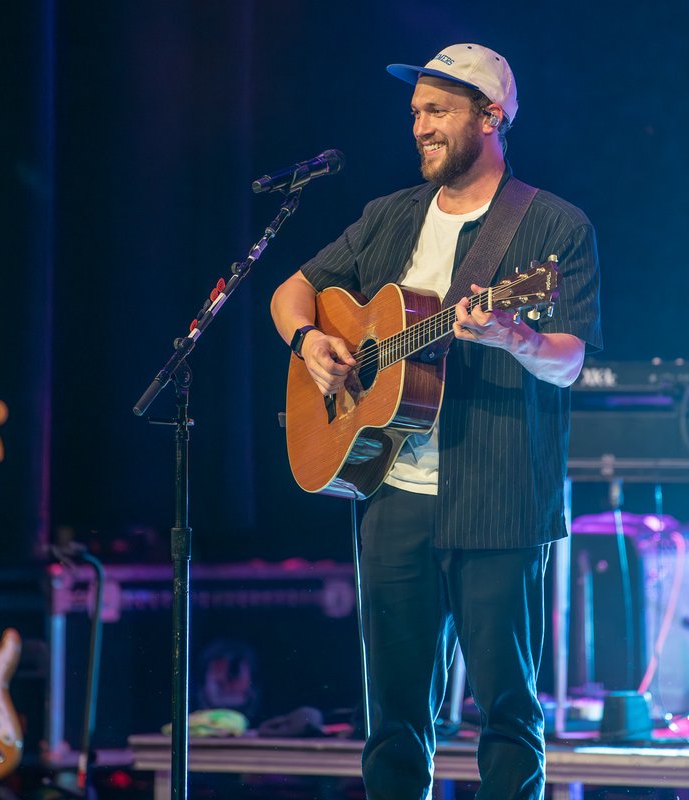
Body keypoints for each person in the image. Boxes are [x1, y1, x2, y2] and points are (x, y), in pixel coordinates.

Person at [270, 43, 602, 799]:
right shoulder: (389, 215)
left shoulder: (553, 227)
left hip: (498, 494)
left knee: (508, 717)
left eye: (438, 111)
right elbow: (293, 290)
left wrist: (515, 334)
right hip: (391, 494)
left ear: (492, 117)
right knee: (392, 720)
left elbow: (570, 361)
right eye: (416, 111)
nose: (419, 126)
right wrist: (309, 339)